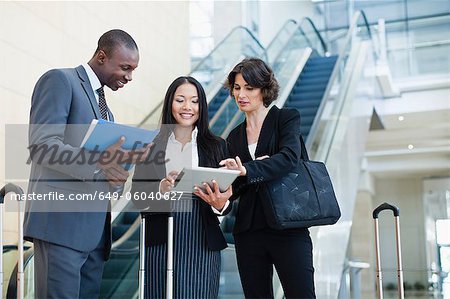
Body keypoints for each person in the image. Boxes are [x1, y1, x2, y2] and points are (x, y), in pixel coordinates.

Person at [23, 29, 149, 298]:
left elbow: (100, 169)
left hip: (94, 236)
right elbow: (42, 146)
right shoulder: (60, 81)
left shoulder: (107, 110)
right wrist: (101, 161)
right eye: (125, 67)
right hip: (61, 227)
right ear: (102, 57)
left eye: (133, 70)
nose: (129, 77)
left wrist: (118, 171)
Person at [220, 58, 316, 298]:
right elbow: (241, 184)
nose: (241, 94)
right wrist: (228, 190)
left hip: (288, 226)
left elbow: (289, 158)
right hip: (249, 231)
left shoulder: (286, 118)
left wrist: (248, 170)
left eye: (249, 88)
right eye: (237, 87)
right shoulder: (233, 136)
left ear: (264, 89)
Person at [131, 76, 233, 298]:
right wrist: (161, 188)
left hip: (201, 238)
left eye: (194, 101)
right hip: (160, 237)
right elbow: (137, 197)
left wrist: (220, 204)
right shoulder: (151, 146)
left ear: (202, 106)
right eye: (180, 100)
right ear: (170, 104)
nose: (188, 107)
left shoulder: (217, 146)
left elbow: (226, 201)